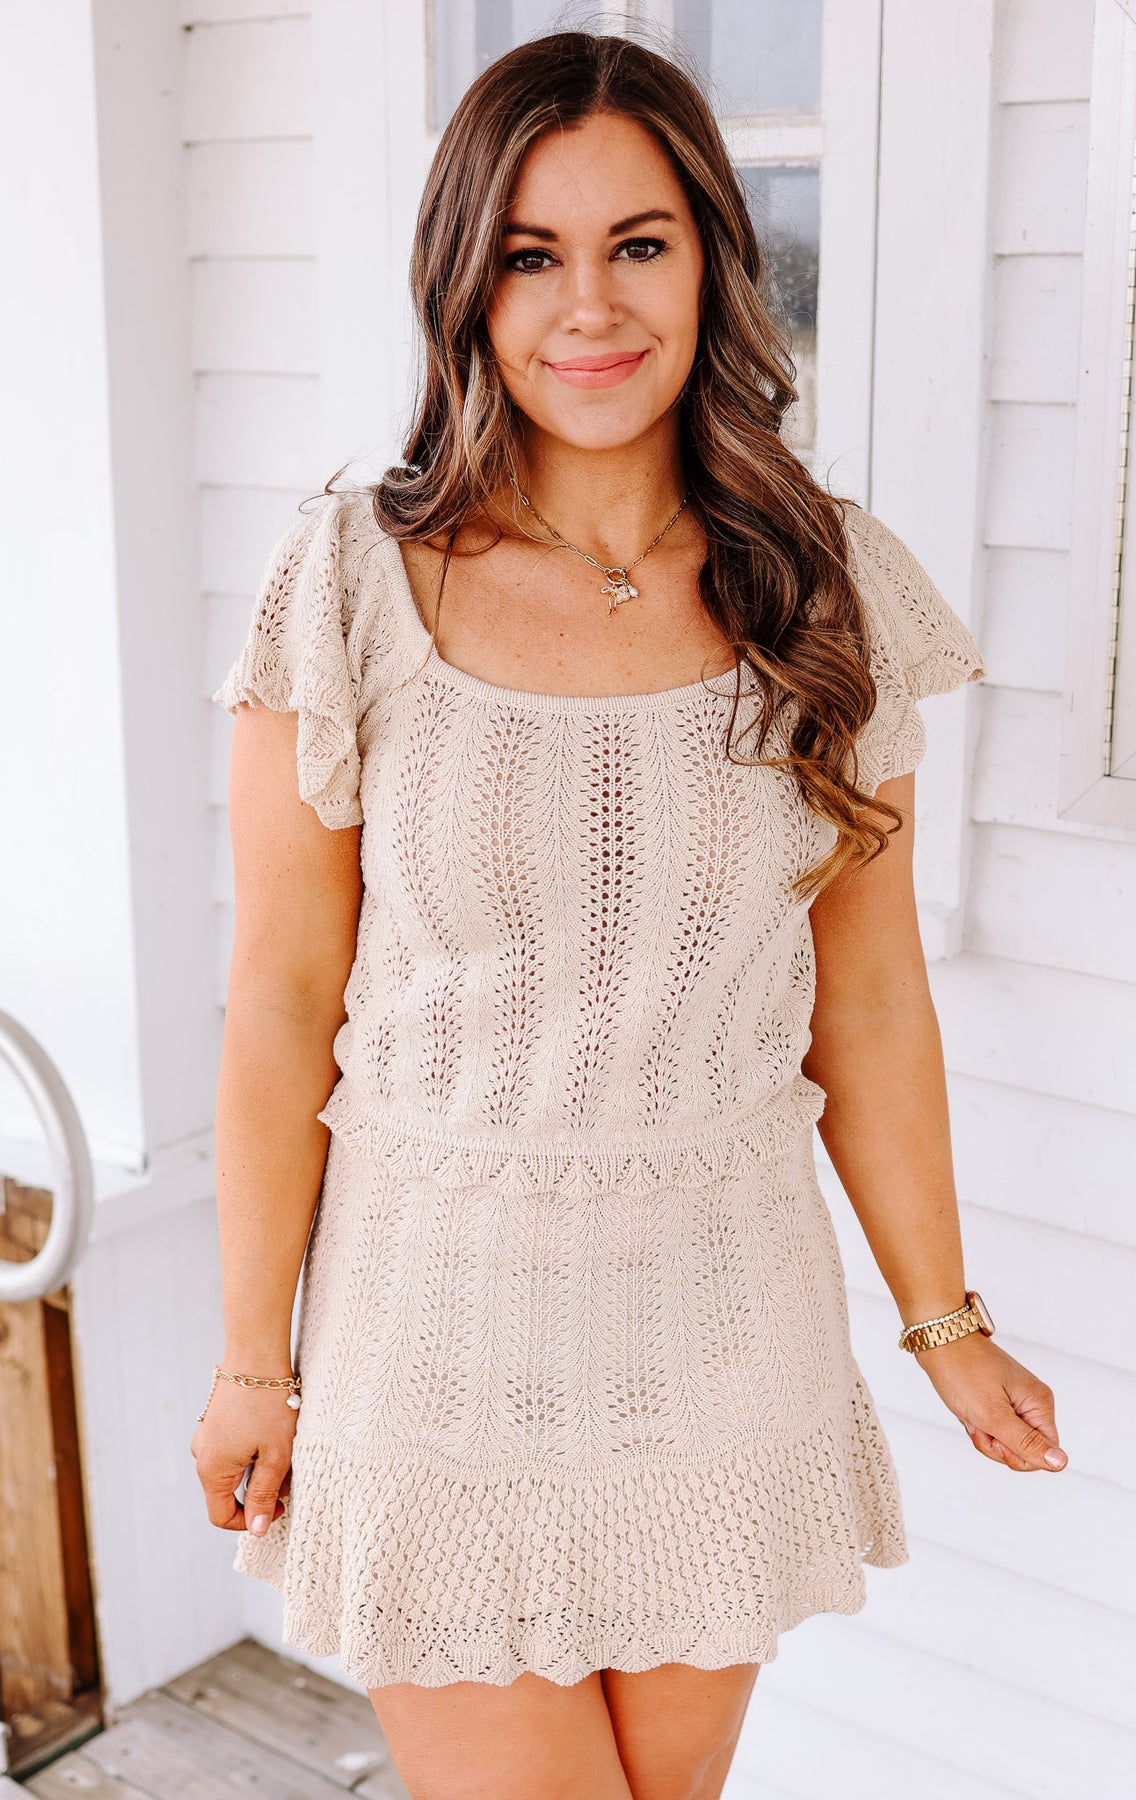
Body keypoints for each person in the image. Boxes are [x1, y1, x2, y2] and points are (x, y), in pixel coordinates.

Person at [191, 29, 1068, 1800]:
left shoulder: (823, 584)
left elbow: (870, 998)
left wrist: (945, 1320)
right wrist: (249, 1364)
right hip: (434, 1344)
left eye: (638, 243)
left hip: (722, 1335)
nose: (588, 306)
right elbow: (280, 1000)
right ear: (466, 285)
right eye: (532, 255)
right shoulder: (350, 583)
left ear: (712, 260)